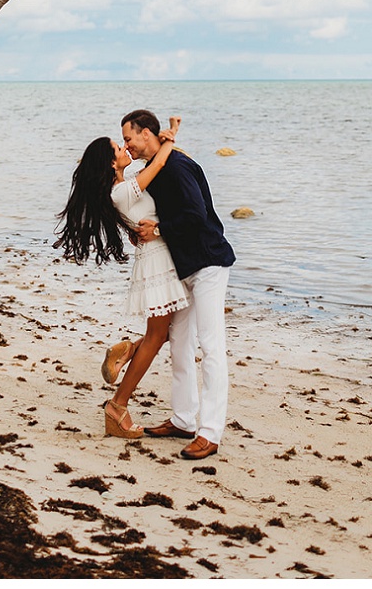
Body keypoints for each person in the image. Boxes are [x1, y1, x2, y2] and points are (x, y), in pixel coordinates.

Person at [53, 123, 187, 439]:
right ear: (111, 163)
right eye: (119, 149)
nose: (125, 150)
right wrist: (170, 138)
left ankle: (125, 352)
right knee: (157, 337)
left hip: (158, 261)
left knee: (165, 333)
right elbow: (158, 164)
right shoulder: (123, 190)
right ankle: (117, 405)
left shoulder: (121, 189)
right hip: (157, 265)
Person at [121, 108, 236, 461]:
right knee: (180, 344)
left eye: (129, 139)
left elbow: (196, 216)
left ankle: (210, 432)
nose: (127, 147)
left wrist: (158, 230)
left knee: (211, 346)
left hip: (208, 262)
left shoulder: (178, 167)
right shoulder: (154, 169)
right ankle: (184, 420)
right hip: (181, 267)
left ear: (146, 133)